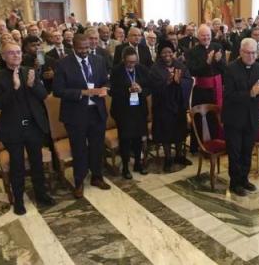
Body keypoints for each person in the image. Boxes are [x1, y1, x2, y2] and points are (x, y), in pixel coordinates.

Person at [0, 42, 55, 215]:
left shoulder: (30, 71)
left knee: (37, 163)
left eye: (18, 52)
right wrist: (15, 87)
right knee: (17, 166)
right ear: (4, 57)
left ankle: (41, 194)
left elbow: (43, 96)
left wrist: (33, 84)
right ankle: (18, 200)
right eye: (11, 53)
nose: (16, 55)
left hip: (33, 126)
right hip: (13, 130)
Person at [53, 34, 111, 199]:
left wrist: (105, 88)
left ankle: (97, 177)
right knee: (78, 149)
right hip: (75, 114)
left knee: (97, 147)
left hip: (96, 111)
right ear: (74, 47)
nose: (85, 51)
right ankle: (79, 182)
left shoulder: (98, 60)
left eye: (87, 48)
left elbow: (106, 81)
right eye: (81, 49)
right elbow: (58, 90)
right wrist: (82, 92)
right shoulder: (63, 64)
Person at [222, 38, 259, 196]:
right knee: (235, 152)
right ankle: (235, 183)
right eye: (248, 53)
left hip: (252, 117)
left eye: (254, 53)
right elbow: (229, 95)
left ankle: (244, 179)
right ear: (241, 52)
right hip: (234, 118)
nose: (251, 56)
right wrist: (250, 93)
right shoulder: (230, 69)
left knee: (247, 151)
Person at [149, 41, 192, 173]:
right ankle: (168, 158)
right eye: (164, 52)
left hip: (178, 104)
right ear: (159, 54)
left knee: (179, 131)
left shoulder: (180, 65)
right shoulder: (155, 68)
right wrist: (167, 81)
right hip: (163, 106)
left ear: (173, 53)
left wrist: (180, 82)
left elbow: (189, 81)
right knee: (166, 133)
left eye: (169, 52)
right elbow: (153, 87)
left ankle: (179, 155)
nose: (167, 55)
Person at [109, 47, 149, 179]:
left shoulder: (142, 69)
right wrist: (128, 90)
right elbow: (112, 91)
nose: (132, 64)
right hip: (123, 111)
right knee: (125, 140)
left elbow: (149, 87)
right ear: (123, 60)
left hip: (139, 110)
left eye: (134, 62)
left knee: (138, 138)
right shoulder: (116, 71)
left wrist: (141, 89)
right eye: (129, 62)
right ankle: (125, 167)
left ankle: (138, 163)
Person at [187, 24, 226, 154]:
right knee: (200, 117)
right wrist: (207, 63)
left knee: (215, 117)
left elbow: (224, 69)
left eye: (208, 35)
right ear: (198, 36)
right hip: (201, 91)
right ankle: (198, 146)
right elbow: (192, 70)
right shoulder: (192, 51)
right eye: (203, 35)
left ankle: (216, 144)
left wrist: (219, 61)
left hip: (217, 88)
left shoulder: (218, 47)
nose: (206, 38)